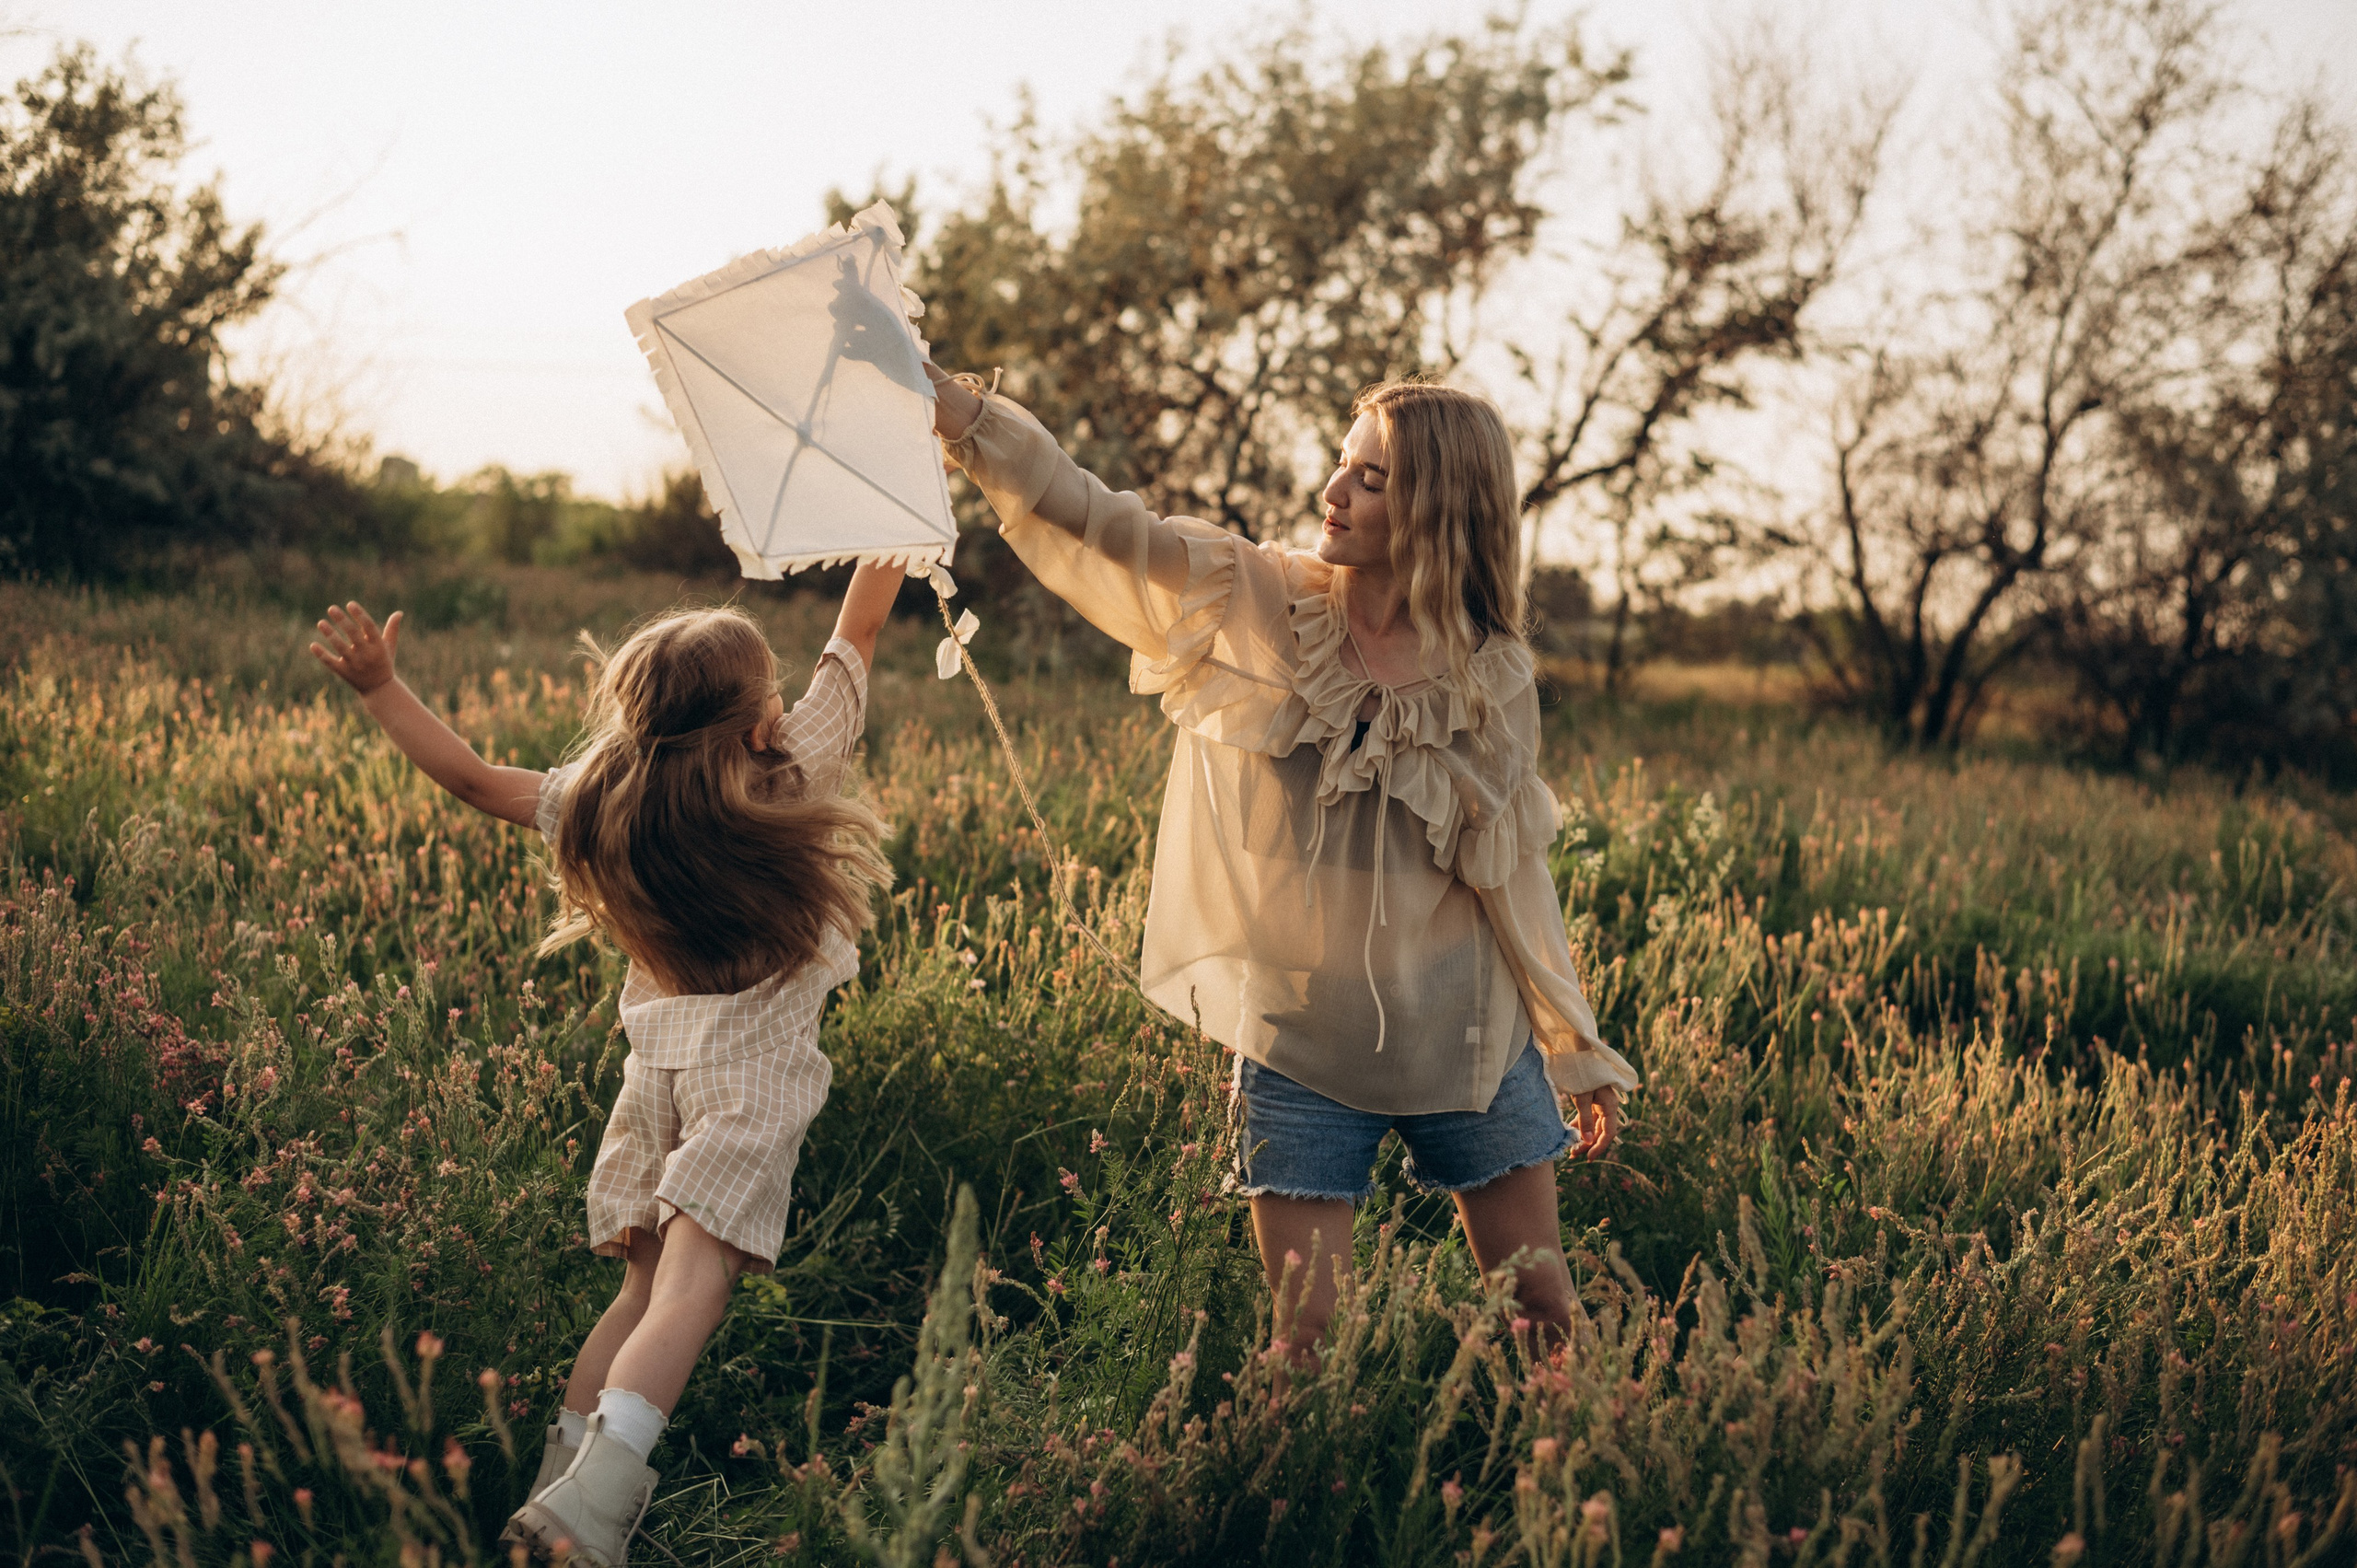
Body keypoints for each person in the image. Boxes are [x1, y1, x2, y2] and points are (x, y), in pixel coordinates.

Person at [923, 366, 1638, 1356]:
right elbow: (1092, 514)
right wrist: (961, 415)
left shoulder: (1489, 675)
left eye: (1373, 478)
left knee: (1544, 1319)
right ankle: (1294, 1501)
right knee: (1304, 1341)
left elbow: (1511, 877)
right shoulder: (1256, 599)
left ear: (1439, 505)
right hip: (1300, 1039)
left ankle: (1571, 1499)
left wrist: (1575, 1041)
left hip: (1466, 1033)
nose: (1334, 492)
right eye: (1343, 465)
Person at [307, 570, 902, 1565]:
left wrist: (379, 688)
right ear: (758, 723)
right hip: (747, 1084)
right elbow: (860, 634)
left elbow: (468, 776)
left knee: (637, 1294)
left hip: (655, 1078)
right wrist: (884, 555)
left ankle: (554, 1497)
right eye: (769, 699)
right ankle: (590, 1513)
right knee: (691, 1288)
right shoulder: (789, 770)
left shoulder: (595, 797)